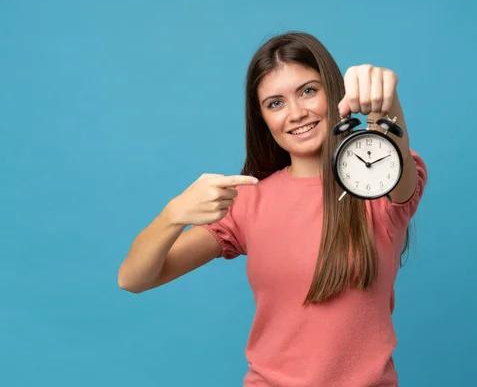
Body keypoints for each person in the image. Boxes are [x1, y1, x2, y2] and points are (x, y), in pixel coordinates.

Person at [118, 31, 428, 387]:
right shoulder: (249, 201)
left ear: (334, 91)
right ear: (262, 118)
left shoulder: (376, 183)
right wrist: (172, 214)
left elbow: (396, 156)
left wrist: (387, 102)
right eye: (275, 103)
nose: (296, 114)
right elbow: (133, 279)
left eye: (308, 91)